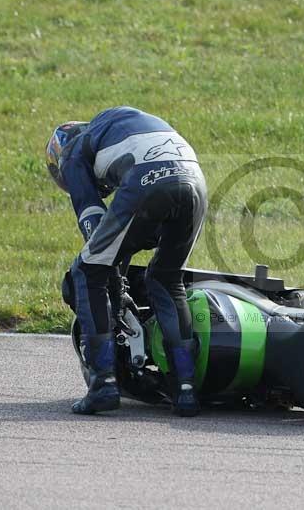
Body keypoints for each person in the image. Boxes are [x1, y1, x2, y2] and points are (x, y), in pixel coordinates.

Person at [44, 106, 207, 416]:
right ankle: (185, 389)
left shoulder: (74, 152)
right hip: (195, 181)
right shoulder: (119, 125)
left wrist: (111, 284)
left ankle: (103, 384)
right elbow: (131, 234)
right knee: (166, 278)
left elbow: (92, 223)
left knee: (86, 271)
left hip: (148, 177)